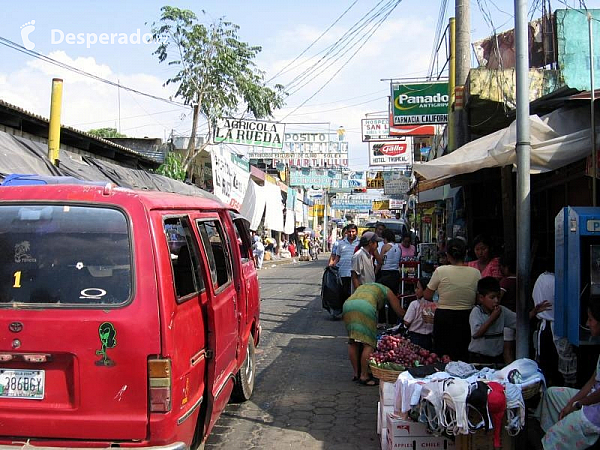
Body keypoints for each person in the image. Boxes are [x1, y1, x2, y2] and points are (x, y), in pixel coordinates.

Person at [536, 296, 600, 450]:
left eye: (590, 319)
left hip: (596, 412)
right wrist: (572, 403)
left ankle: (556, 438)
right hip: (592, 397)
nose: (587, 323)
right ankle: (561, 432)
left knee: (554, 437)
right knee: (551, 394)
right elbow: (593, 380)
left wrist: (578, 404)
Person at [424, 238, 481, 362]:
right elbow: (478, 299)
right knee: (462, 355)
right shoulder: (476, 273)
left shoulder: (440, 271)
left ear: (448, 255)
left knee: (443, 356)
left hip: (444, 317)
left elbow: (427, 295)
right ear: (465, 254)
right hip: (467, 317)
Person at [342, 282, 405, 385]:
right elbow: (399, 311)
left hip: (348, 305)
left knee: (353, 341)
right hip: (365, 307)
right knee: (368, 344)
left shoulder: (365, 286)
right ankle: (364, 376)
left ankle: (356, 374)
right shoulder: (387, 290)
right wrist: (410, 319)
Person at [532, 259, 577, 387]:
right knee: (559, 365)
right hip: (556, 327)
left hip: (544, 326)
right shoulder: (557, 281)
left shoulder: (541, 278)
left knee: (545, 364)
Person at [468, 277, 516, 364]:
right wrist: (492, 318)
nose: (496, 301)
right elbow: (476, 334)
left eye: (498, 297)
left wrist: (534, 312)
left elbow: (518, 321)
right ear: (481, 298)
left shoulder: (502, 311)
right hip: (480, 358)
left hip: (497, 357)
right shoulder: (476, 312)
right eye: (492, 297)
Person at [404, 277, 435, 350]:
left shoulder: (414, 304)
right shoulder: (435, 306)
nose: (415, 290)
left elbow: (407, 322)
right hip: (429, 339)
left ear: (426, 290)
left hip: (415, 338)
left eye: (418, 288)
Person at [330, 224, 359, 303]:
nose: (351, 233)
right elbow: (337, 257)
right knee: (344, 294)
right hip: (343, 272)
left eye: (353, 231)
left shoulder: (360, 243)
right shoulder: (341, 243)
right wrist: (332, 266)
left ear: (356, 232)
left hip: (355, 273)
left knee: (354, 294)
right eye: (349, 232)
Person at [499, 252, 517, 364]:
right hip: (520, 319)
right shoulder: (521, 280)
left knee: (507, 350)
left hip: (508, 321)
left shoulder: (505, 282)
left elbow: (499, 298)